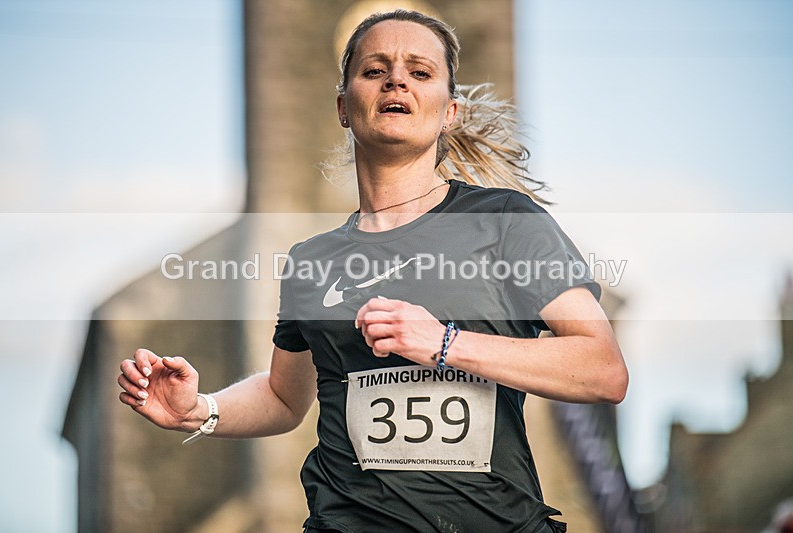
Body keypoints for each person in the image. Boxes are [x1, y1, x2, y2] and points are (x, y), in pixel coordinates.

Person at [118, 9, 628, 533]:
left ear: (449, 112)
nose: (397, 80)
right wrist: (198, 410)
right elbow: (284, 397)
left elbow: (603, 370)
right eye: (375, 69)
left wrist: (444, 343)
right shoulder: (312, 262)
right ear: (344, 107)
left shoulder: (504, 221)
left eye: (420, 72)